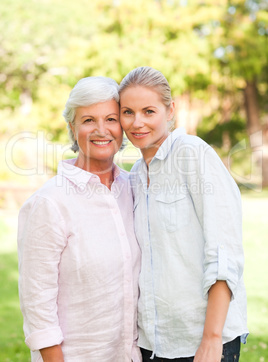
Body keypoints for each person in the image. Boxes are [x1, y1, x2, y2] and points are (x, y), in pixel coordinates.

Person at [119, 66, 248, 362]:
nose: (137, 122)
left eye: (148, 111)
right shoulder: (136, 174)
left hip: (201, 340)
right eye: (128, 112)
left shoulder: (192, 154)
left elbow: (223, 252)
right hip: (154, 343)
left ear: (170, 110)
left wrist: (212, 339)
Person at [18, 76, 141, 362]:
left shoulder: (135, 189)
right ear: (72, 127)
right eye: (88, 120)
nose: (101, 130)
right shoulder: (49, 203)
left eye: (111, 118)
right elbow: (38, 305)